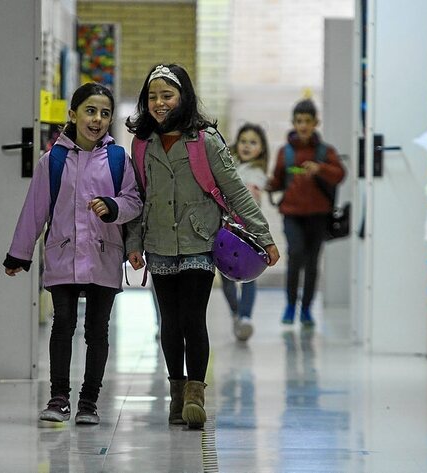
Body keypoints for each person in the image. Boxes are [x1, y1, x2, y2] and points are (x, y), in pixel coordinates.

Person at [124, 64, 280, 429]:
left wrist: (264, 237)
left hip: (199, 240)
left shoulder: (205, 140)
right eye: (152, 96)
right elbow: (137, 196)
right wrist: (133, 243)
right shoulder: (142, 143)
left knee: (193, 317)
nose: (160, 103)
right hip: (159, 242)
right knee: (169, 321)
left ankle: (195, 393)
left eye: (167, 95)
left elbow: (235, 190)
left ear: (183, 98)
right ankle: (176, 393)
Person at [3, 82, 142, 425]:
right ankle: (59, 397)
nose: (97, 119)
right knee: (63, 324)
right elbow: (35, 210)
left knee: (97, 330)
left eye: (105, 113)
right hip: (63, 253)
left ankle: (89, 401)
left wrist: (113, 207)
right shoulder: (53, 161)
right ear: (73, 114)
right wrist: (19, 254)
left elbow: (134, 201)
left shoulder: (117, 160)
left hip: (103, 254)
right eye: (90, 111)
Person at [266, 98, 345, 328]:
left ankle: (307, 309)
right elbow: (278, 180)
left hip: (319, 215)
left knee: (312, 262)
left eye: (307, 121)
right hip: (292, 214)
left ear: (315, 123)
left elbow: (340, 174)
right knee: (295, 254)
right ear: (293, 123)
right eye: (299, 121)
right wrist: (265, 183)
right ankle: (291, 305)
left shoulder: (325, 152)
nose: (303, 126)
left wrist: (320, 169)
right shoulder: (285, 152)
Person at [220, 123, 270, 342]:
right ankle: (236, 312)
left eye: (253, 142)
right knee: (226, 276)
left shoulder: (258, 172)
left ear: (261, 148)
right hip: (226, 231)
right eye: (243, 141)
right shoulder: (227, 164)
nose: (247, 146)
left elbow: (251, 192)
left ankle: (246, 317)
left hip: (249, 234)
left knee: (250, 275)